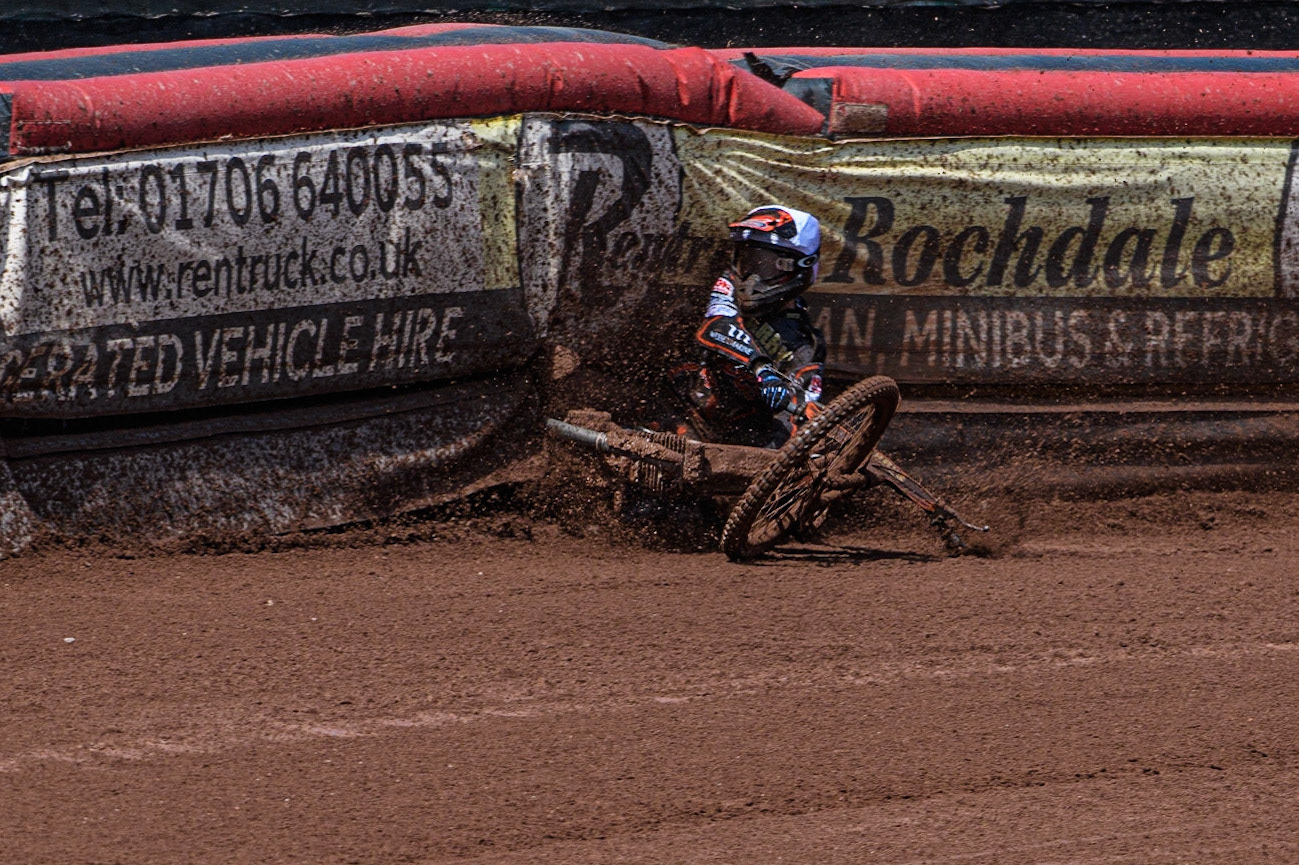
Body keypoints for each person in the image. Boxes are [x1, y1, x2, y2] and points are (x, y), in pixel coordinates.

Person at [670, 204, 827, 449]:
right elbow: (717, 325)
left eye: (765, 266)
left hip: (729, 442)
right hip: (674, 406)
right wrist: (761, 367)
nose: (751, 277)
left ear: (797, 267)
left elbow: (800, 417)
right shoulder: (729, 284)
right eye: (748, 262)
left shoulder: (804, 346)